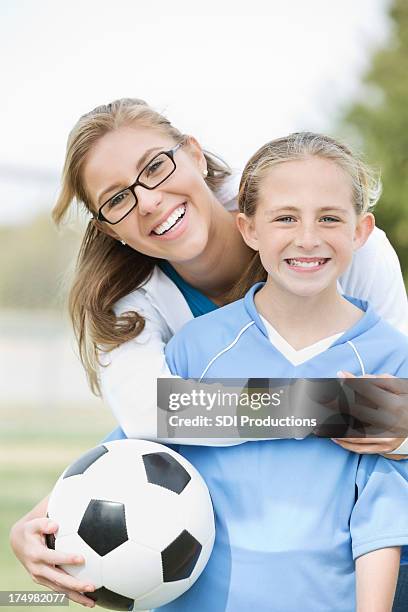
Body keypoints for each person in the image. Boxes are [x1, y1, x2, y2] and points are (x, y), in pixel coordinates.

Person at [8, 99, 408, 608]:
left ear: (195, 154)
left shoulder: (337, 240)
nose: (149, 201)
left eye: (155, 166)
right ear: (109, 227)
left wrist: (393, 425)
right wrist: (335, 408)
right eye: (117, 199)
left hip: (352, 554)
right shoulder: (126, 306)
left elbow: (394, 399)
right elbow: (155, 417)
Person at [160, 132, 408, 611]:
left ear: (360, 231)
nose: (308, 238)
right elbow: (139, 449)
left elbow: (383, 518)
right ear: (249, 229)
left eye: (330, 218)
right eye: (286, 218)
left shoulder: (388, 358)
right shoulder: (198, 347)